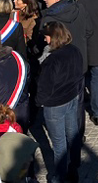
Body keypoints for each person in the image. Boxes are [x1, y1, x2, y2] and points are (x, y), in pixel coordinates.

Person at [36, 20, 85, 183]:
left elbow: (45, 86)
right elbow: (80, 73)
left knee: (58, 143)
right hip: (72, 97)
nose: (45, 39)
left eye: (47, 37)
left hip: (55, 104)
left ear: (54, 37)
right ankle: (74, 167)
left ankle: (60, 176)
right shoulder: (75, 50)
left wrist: (38, 101)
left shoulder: (53, 59)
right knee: (73, 134)